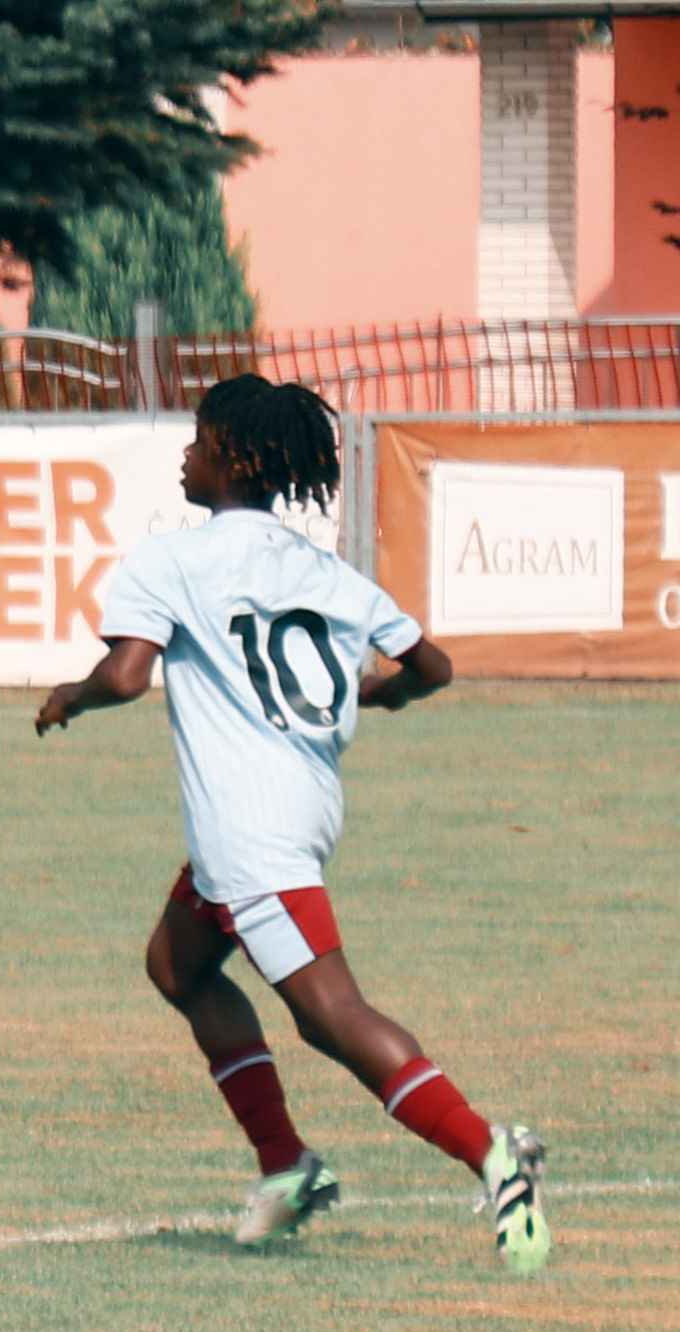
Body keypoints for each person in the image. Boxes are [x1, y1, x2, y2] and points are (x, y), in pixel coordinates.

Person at [35, 371, 548, 1266]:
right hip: (302, 810)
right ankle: (286, 1163)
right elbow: (434, 665)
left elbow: (124, 675)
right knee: (177, 963)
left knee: (330, 1016)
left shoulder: (171, 561)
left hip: (251, 833)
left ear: (235, 457)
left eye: (198, 440)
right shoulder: (326, 572)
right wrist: (382, 700)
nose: (185, 456)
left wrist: (68, 699)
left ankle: (491, 1153)